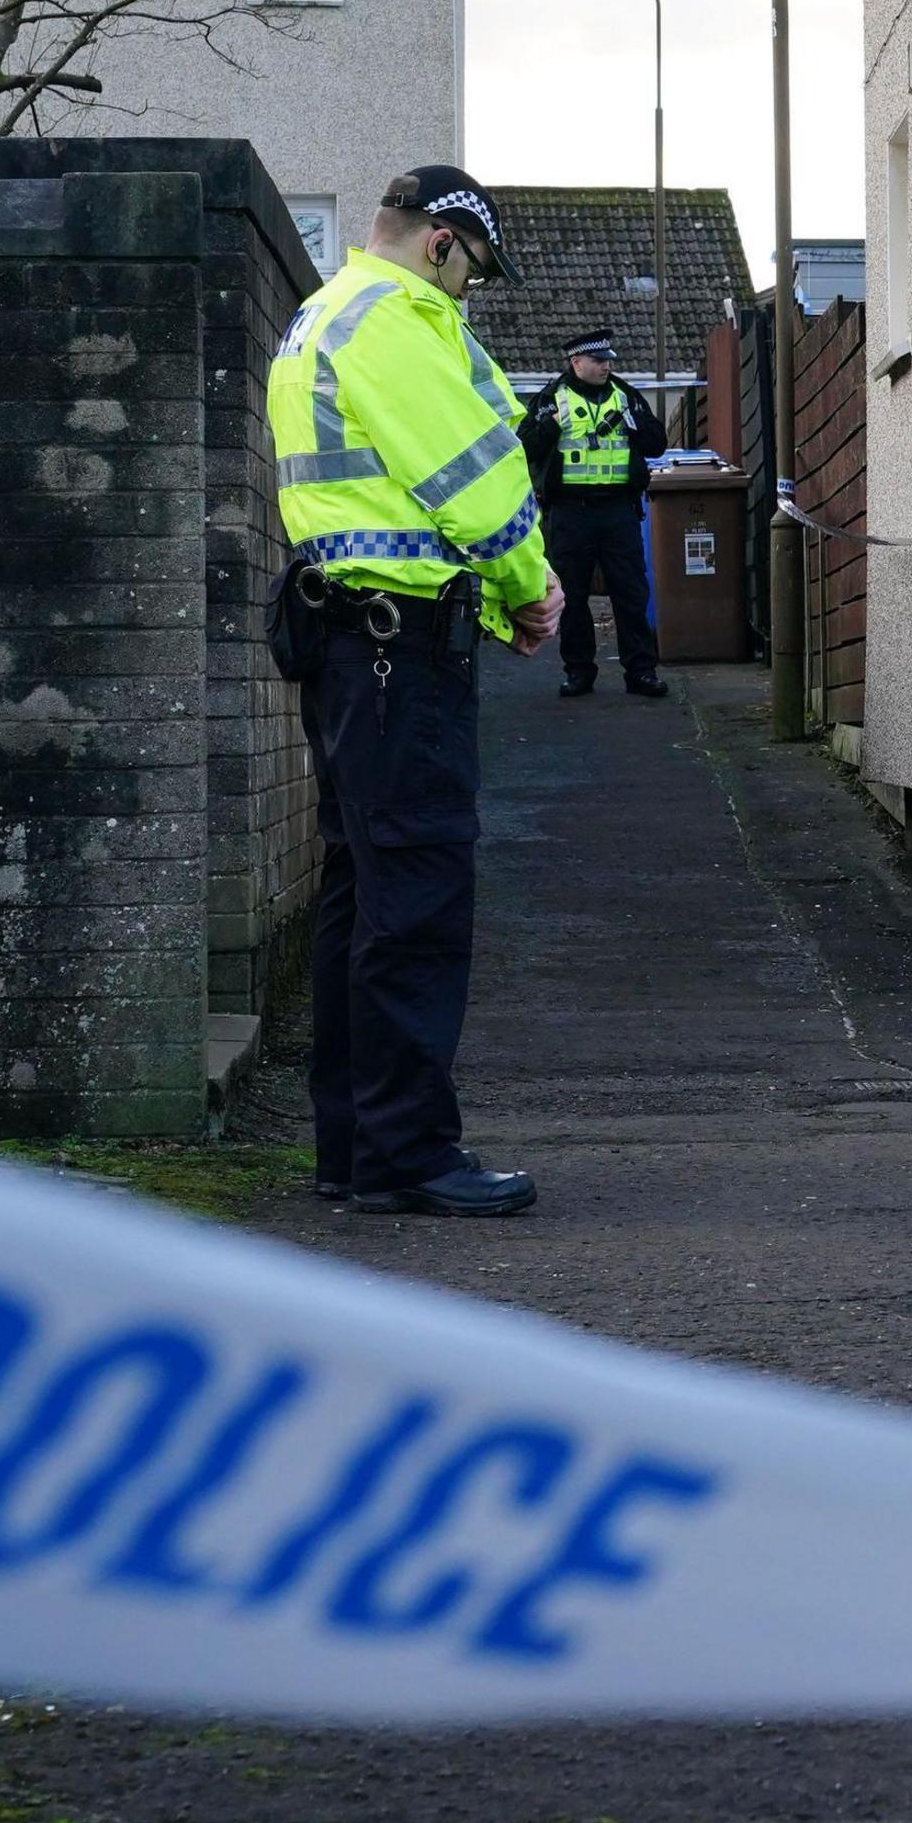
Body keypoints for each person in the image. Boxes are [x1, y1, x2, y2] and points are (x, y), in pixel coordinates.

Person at [260, 164, 556, 1218]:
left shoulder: (316, 317)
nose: (470, 290)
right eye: (473, 269)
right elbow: (473, 485)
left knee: (362, 897)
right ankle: (408, 1155)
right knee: (416, 902)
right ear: (440, 241)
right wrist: (527, 590)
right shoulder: (397, 318)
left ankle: (356, 1146)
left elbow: (373, 497)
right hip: (398, 653)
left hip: (350, 644)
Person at [518, 328, 669, 698]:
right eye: (599, 361)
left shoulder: (626, 397)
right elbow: (523, 447)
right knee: (572, 596)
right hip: (571, 513)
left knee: (631, 594)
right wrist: (550, 427)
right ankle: (579, 672)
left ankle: (641, 672)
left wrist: (636, 425)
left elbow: (657, 444)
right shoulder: (552, 399)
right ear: (576, 362)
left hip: (619, 511)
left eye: (608, 361)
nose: (606, 366)